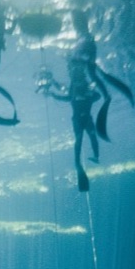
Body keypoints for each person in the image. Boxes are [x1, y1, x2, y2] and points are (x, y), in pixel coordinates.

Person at [37, 59, 101, 192]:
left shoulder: (79, 91)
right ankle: (88, 159)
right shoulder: (79, 91)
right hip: (82, 119)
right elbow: (96, 96)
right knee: (87, 137)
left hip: (80, 119)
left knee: (84, 138)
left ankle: (87, 159)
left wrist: (53, 93)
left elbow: (95, 96)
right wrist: (54, 92)